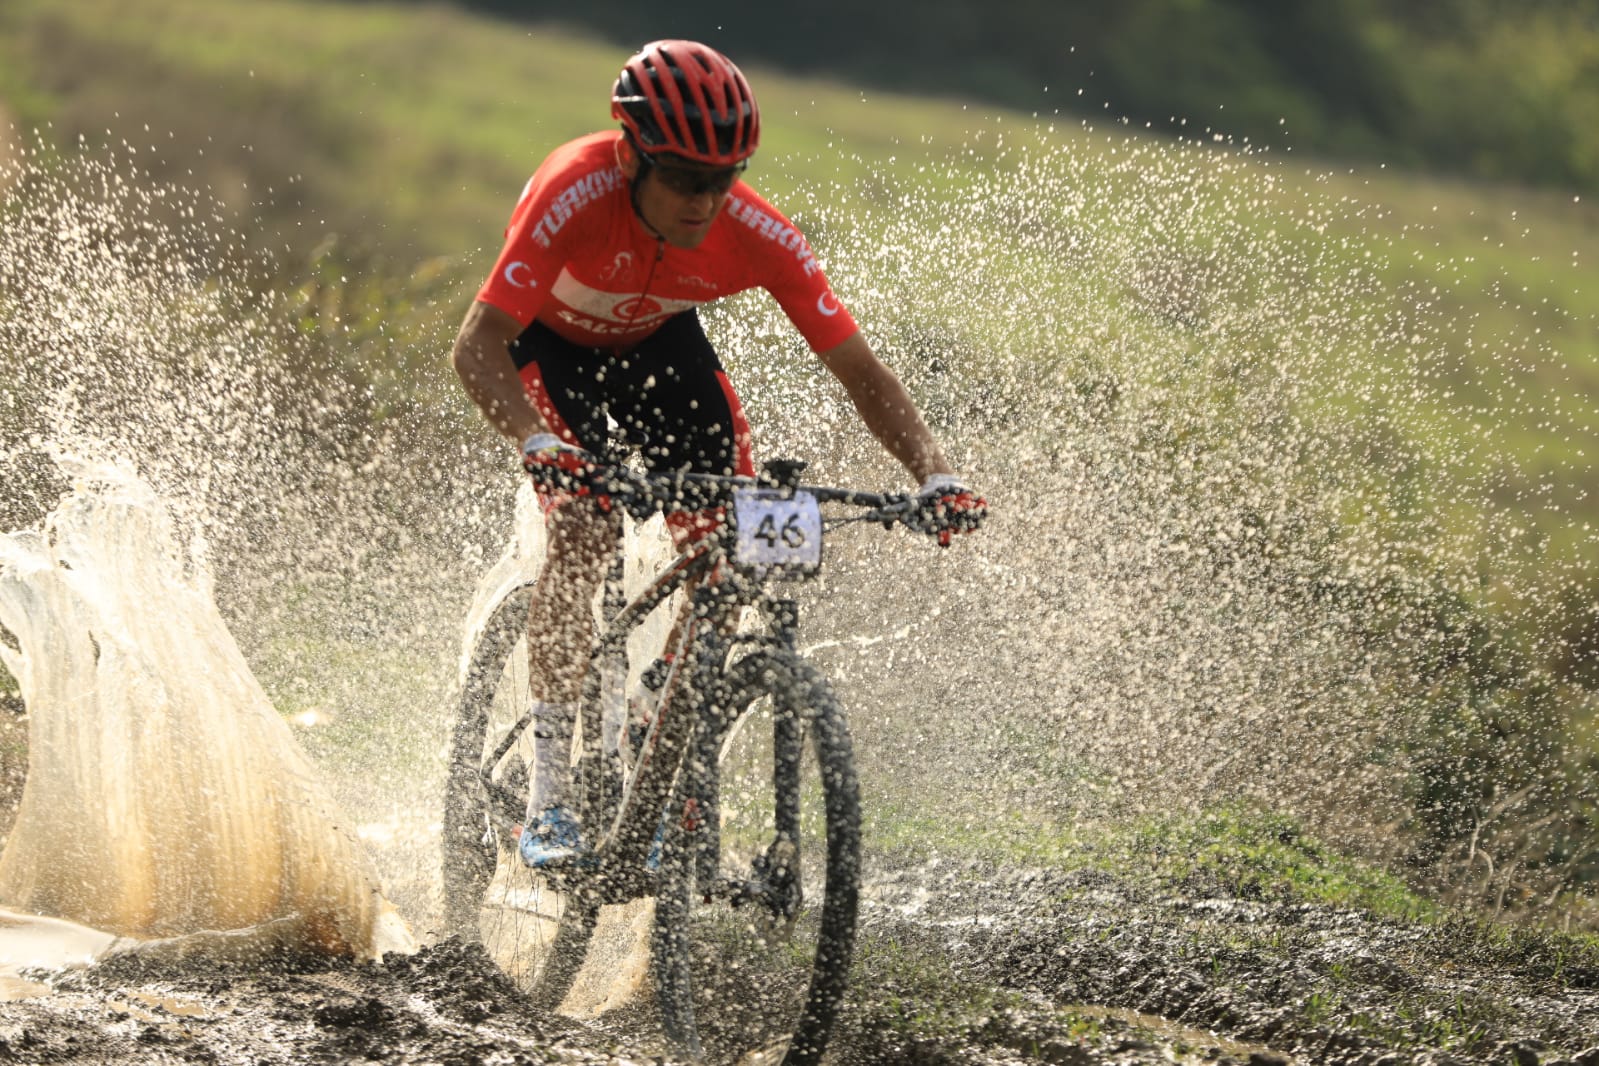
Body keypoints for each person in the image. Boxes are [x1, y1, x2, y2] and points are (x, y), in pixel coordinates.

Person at [451, 39, 985, 867]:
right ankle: (548, 799)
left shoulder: (756, 232)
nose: (705, 200)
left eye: (723, 178)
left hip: (662, 350)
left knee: (736, 545)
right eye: (684, 178)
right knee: (587, 528)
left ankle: (649, 730)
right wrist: (538, 439)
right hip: (549, 351)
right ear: (630, 154)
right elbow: (476, 346)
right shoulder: (573, 192)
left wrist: (935, 475)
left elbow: (862, 374)